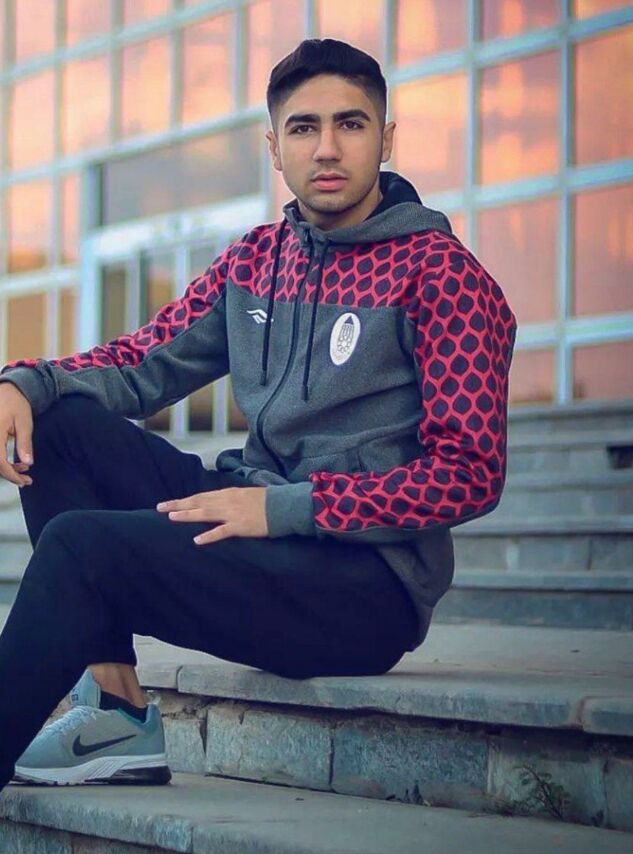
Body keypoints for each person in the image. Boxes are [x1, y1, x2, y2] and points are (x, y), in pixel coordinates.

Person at [0, 38, 517, 792]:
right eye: (304, 128)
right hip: (258, 525)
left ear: (385, 139)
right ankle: (116, 712)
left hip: (364, 587)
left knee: (82, 547)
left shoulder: (444, 277)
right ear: (275, 148)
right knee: (56, 423)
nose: (327, 147)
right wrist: (23, 382)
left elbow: (469, 475)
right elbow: (142, 362)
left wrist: (285, 510)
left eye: (350, 123)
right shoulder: (256, 261)